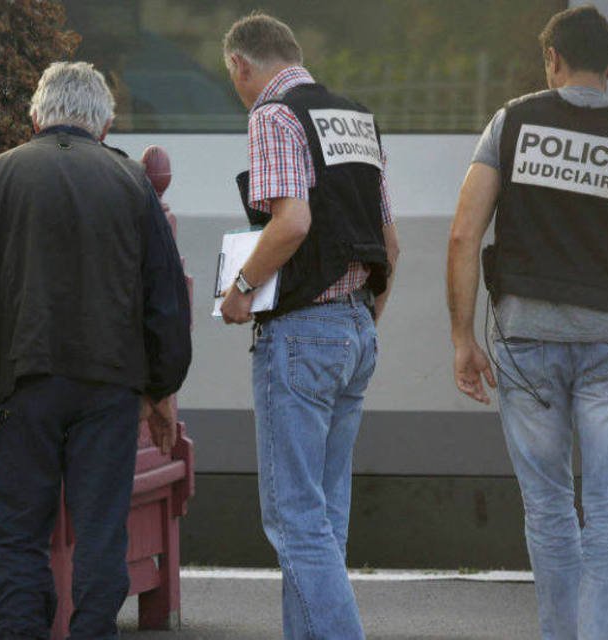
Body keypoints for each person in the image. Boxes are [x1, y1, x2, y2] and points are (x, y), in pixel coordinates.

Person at [0, 61, 191, 640]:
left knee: (21, 532)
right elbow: (165, 297)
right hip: (111, 385)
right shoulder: (132, 184)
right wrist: (160, 386)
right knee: (101, 532)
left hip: (27, 383)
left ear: (35, 117)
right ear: (104, 125)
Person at [447, 6, 608, 639]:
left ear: (552, 60)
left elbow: (464, 235)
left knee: (549, 505)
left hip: (525, 344)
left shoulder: (513, 121)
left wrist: (463, 338)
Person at [219, 13, 399, 639]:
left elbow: (291, 222)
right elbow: (390, 243)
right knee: (324, 520)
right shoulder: (355, 117)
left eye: (232, 78)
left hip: (302, 334)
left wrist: (241, 290)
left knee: (296, 522)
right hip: (356, 333)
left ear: (241, 65)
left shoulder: (274, 115)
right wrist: (360, 320)